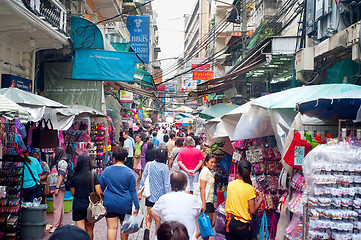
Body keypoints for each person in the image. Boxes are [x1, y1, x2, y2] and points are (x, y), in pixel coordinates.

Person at [100, 148, 140, 240]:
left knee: (111, 228)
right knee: (125, 228)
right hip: (125, 204)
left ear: (113, 158)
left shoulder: (106, 171)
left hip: (110, 202)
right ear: (125, 159)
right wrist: (137, 206)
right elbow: (133, 192)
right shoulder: (130, 173)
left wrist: (103, 197)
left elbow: (101, 188)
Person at [149, 171, 201, 240]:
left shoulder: (164, 199)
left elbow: (152, 212)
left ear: (171, 184)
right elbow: (198, 212)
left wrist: (158, 219)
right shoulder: (192, 199)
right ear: (185, 185)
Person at [225, 160, 264, 240]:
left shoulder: (231, 185)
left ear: (237, 171)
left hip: (230, 223)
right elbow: (252, 211)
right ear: (250, 172)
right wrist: (260, 200)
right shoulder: (250, 189)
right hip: (242, 226)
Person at [69, 155, 103, 239]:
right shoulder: (93, 175)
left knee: (79, 231)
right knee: (89, 229)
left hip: (78, 205)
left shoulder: (74, 177)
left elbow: (73, 193)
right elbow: (98, 191)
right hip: (90, 207)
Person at [140, 148, 170, 231]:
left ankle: (147, 229)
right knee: (158, 217)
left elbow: (143, 178)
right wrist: (168, 196)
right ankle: (157, 235)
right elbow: (167, 184)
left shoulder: (149, 164)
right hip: (161, 197)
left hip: (150, 194)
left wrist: (140, 189)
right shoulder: (165, 168)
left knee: (149, 214)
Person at [47, 147, 69, 233]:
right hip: (57, 187)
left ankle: (55, 226)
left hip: (59, 187)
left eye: (54, 153)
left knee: (56, 207)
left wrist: (57, 187)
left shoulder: (62, 162)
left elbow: (61, 175)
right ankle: (60, 224)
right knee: (60, 206)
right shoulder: (58, 162)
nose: (53, 155)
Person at [197, 154, 216, 240]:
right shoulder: (205, 172)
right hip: (206, 201)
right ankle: (193, 237)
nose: (213, 164)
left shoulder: (207, 171)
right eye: (211, 162)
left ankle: (193, 237)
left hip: (209, 201)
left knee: (209, 224)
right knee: (207, 225)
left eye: (214, 162)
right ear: (206, 162)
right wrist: (204, 204)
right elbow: (202, 188)